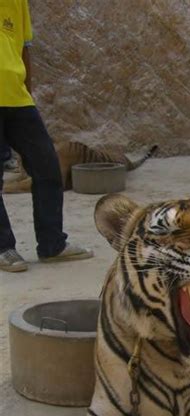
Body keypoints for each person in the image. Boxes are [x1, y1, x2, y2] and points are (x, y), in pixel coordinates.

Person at [0, 0, 93, 273]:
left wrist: (28, 94)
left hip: (17, 99)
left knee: (47, 167)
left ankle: (52, 245)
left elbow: (24, 48)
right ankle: (4, 248)